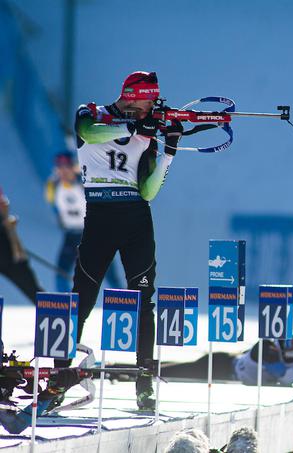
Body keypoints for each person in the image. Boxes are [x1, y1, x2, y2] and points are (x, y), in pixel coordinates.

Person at [54, 71, 183, 411]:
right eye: (147, 101)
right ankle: (59, 377)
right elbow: (86, 133)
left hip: (136, 218)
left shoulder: (147, 131)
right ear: (129, 95)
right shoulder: (92, 113)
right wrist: (133, 128)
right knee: (81, 297)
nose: (151, 108)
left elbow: (149, 191)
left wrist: (168, 152)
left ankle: (144, 382)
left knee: (144, 299)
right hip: (100, 218)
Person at [45, 151, 123, 292]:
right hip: (71, 235)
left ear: (73, 167)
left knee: (110, 277)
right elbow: (55, 207)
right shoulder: (53, 186)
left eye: (66, 167)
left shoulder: (84, 182)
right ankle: (64, 307)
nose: (63, 171)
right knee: (60, 274)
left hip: (93, 234)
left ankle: (126, 304)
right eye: (60, 167)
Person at [0, 186, 43, 303]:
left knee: (36, 294)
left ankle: (57, 315)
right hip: (7, 252)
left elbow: (4, 205)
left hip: (8, 254)